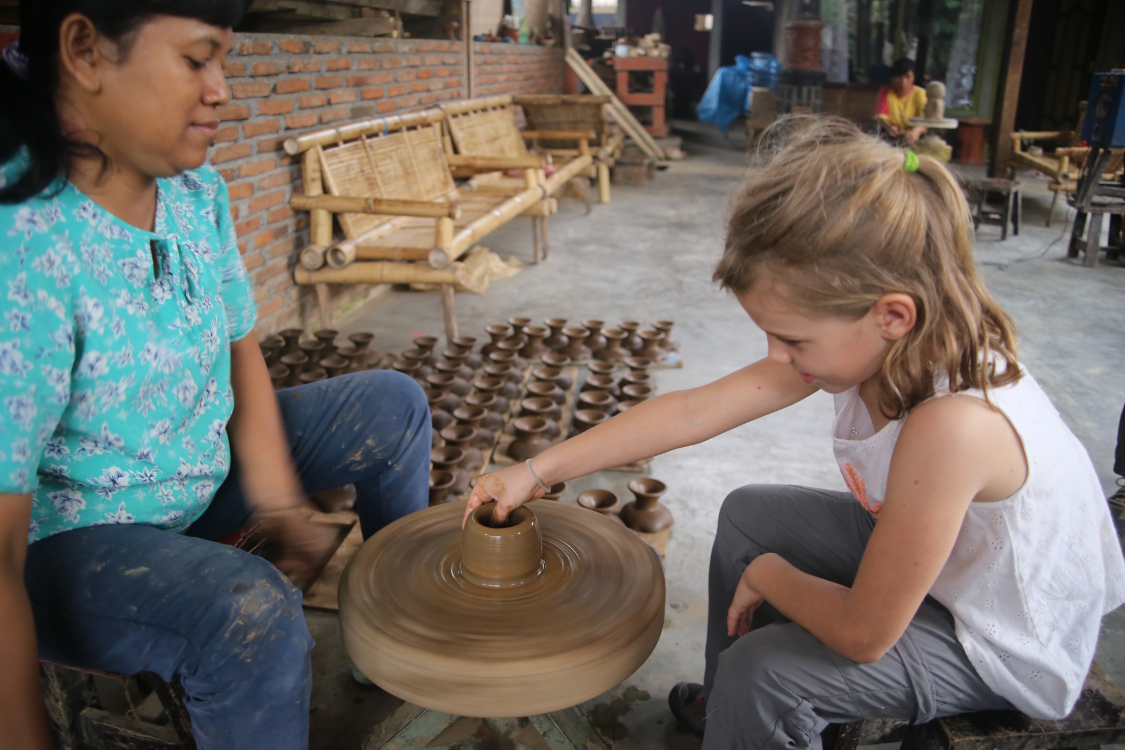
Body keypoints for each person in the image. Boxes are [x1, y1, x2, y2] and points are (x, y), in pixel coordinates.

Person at [465, 120, 1125, 750]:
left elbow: (864, 635)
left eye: (791, 338)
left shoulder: (954, 425)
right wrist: (535, 471)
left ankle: (745, 702)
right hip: (955, 568)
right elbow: (692, 411)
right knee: (749, 514)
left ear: (891, 314)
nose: (776, 356)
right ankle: (727, 709)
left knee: (768, 671)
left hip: (1001, 640)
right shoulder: (874, 345)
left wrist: (771, 575)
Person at [0, 2, 430, 748]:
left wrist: (279, 500)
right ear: (83, 50)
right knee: (246, 614)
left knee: (392, 405)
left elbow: (240, 351)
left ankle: (392, 646)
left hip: (193, 475)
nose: (221, 88)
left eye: (223, 61)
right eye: (197, 59)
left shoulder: (196, 196)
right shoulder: (25, 249)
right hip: (71, 547)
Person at [876, 57, 927, 145]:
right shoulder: (885, 91)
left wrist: (916, 131)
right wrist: (890, 128)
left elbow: (926, 120)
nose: (903, 81)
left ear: (913, 78)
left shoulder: (920, 93)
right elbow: (881, 118)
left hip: (914, 137)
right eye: (899, 77)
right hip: (891, 136)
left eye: (908, 77)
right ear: (893, 78)